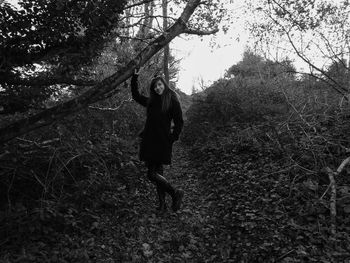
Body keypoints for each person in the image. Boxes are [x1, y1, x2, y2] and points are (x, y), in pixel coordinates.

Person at [130, 69, 184, 212]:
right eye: (155, 86)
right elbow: (136, 95)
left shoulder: (172, 101)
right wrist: (134, 76)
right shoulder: (151, 102)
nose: (158, 88)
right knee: (157, 173)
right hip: (149, 141)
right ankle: (162, 205)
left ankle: (174, 193)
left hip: (162, 142)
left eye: (159, 85)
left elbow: (179, 122)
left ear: (164, 84)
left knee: (151, 174)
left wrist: (173, 138)